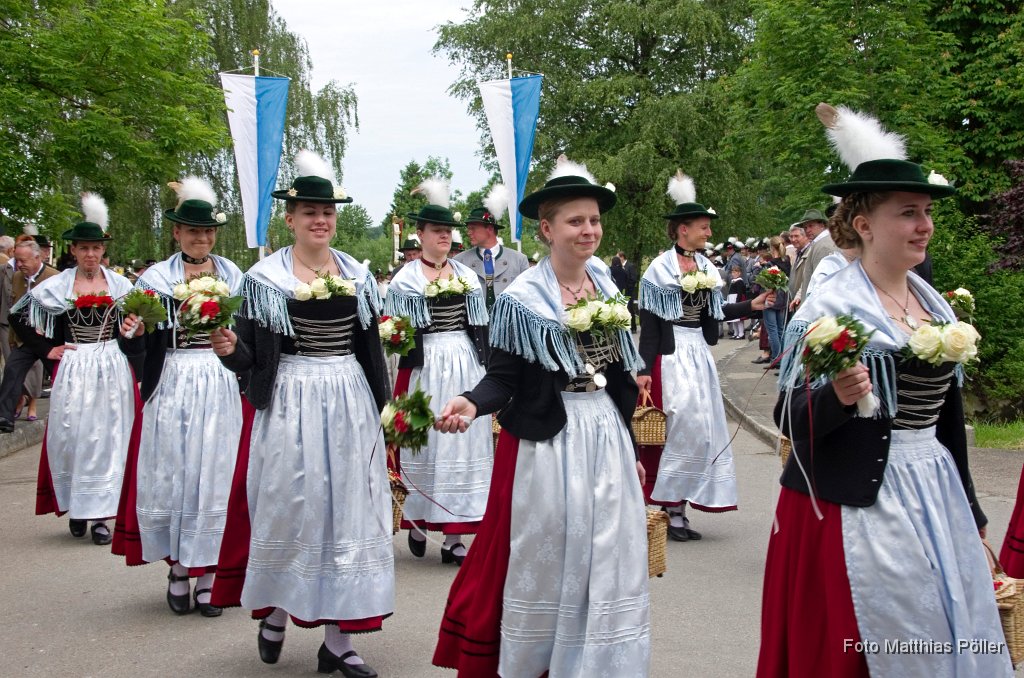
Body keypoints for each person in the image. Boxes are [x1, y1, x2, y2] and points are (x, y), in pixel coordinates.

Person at [758, 104, 1010, 677]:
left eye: (925, 213)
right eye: (908, 214)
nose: (924, 225)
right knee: (890, 635)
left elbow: (946, 413)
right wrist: (837, 397)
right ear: (865, 225)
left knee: (950, 628)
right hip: (862, 496)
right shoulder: (832, 308)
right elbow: (789, 417)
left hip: (935, 487)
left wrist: (970, 506)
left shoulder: (936, 303)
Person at [432, 157, 650, 677]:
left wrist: (633, 451)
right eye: (575, 221)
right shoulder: (522, 299)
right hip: (549, 443)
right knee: (548, 555)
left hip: (605, 437)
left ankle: (599, 662)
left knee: (609, 556)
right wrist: (471, 401)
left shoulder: (606, 285)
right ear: (548, 228)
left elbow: (619, 376)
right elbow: (503, 379)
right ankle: (542, 662)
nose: (589, 231)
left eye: (594, 220)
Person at [210, 151, 391, 676]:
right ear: (289, 219)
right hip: (291, 400)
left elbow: (369, 351)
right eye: (309, 211)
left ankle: (338, 640)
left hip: (350, 399)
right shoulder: (263, 279)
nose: (320, 219)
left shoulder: (358, 274)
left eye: (327, 212)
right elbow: (249, 357)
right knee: (293, 508)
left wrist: (386, 410)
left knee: (347, 511)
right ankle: (278, 613)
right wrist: (227, 351)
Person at [113, 177, 244, 618]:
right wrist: (131, 333)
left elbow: (247, 335)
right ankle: (179, 569)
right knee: (178, 470)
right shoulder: (155, 279)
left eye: (206, 231)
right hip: (173, 378)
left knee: (218, 472)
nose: (200, 238)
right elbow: (137, 342)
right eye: (192, 231)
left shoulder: (232, 275)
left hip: (222, 380)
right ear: (176, 233)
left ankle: (209, 575)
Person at [636, 171, 773, 541]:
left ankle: (679, 507)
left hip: (698, 353)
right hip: (672, 354)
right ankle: (667, 507)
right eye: (703, 227)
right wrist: (644, 368)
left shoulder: (707, 268)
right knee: (679, 429)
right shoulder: (659, 270)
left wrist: (751, 305)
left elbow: (715, 314)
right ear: (683, 229)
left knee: (704, 430)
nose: (709, 233)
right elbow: (650, 326)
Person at [12, 194, 135, 545]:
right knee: (76, 436)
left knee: (110, 437)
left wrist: (132, 334)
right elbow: (18, 316)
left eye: (96, 249)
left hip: (111, 363)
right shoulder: (59, 285)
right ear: (74, 251)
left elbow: (140, 317)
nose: (91, 255)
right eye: (84, 249)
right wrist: (46, 349)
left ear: (103, 251)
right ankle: (79, 505)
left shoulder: (121, 285)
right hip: (76, 364)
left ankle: (100, 515)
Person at [385, 177, 491, 565]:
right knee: (426, 442)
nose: (444, 236)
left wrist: (487, 370)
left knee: (462, 442)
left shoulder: (465, 277)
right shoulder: (405, 280)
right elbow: (397, 336)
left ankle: (454, 536)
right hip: (426, 364)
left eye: (448, 231)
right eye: (437, 231)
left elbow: (479, 328)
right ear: (421, 234)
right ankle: (416, 518)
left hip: (463, 360)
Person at [0, 237, 59, 431]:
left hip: (50, 341)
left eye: (23, 261)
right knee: (12, 371)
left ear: (37, 257)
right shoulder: (17, 277)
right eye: (17, 260)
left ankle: (68, 414)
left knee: (60, 376)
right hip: (24, 339)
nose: (19, 264)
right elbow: (12, 309)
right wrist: (11, 340)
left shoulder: (54, 277)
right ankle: (5, 418)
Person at [454, 183, 530, 310]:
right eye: (468, 228)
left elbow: (528, 297)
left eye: (473, 228)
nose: (468, 232)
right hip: (475, 327)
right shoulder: (459, 261)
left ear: (489, 228)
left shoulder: (519, 260)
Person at [789, 208, 838, 308]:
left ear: (822, 225)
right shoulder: (819, 243)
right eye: (805, 227)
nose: (807, 230)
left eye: (811, 226)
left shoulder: (824, 246)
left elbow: (822, 282)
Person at [761, 236, 791, 365]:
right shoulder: (787, 262)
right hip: (783, 298)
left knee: (772, 330)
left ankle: (777, 359)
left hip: (771, 298)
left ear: (772, 247)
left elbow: (766, 284)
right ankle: (782, 358)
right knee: (780, 330)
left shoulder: (771, 264)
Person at [617, 249, 640, 331]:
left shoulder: (630, 266)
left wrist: (627, 288)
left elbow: (633, 279)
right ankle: (626, 326)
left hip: (629, 291)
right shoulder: (619, 267)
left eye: (618, 257)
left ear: (622, 257)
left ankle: (633, 327)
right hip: (621, 292)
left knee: (630, 309)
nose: (617, 259)